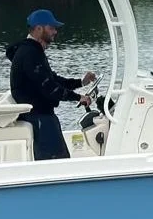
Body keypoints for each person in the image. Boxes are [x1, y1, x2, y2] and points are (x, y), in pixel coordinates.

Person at [5, 9, 96, 160]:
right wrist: (78, 97)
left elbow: (52, 80)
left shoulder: (33, 51)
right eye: (52, 27)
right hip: (37, 116)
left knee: (60, 157)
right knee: (56, 160)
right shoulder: (30, 54)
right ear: (39, 28)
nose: (55, 32)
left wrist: (81, 82)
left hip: (42, 114)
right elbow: (48, 87)